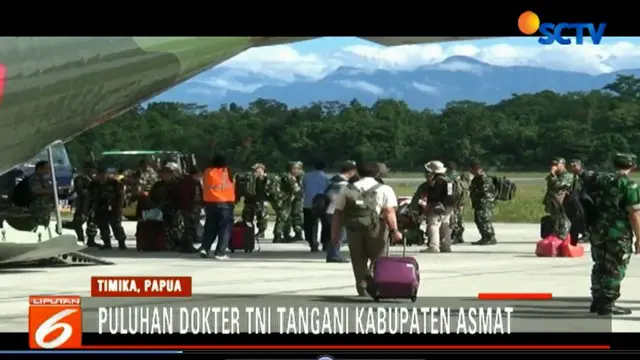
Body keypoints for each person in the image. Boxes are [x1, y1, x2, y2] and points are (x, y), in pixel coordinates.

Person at [332, 161, 401, 296]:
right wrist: (394, 230)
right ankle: (377, 285)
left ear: (358, 172)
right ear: (377, 173)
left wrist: (334, 235)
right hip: (376, 228)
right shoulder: (384, 189)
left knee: (358, 259)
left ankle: (362, 286)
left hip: (353, 229)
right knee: (379, 258)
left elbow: (338, 213)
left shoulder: (348, 189)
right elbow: (388, 211)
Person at [589, 153, 640, 315]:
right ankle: (607, 304)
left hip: (598, 231)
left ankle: (597, 300)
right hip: (618, 233)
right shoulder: (629, 186)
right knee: (615, 268)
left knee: (600, 265)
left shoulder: (601, 181)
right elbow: (634, 214)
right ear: (632, 166)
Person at [199, 155, 235, 260]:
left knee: (210, 227)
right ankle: (220, 252)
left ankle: (204, 248)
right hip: (225, 203)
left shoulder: (207, 172)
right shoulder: (228, 172)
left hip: (210, 203)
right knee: (225, 228)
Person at [324, 161, 357, 263]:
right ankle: (334, 255)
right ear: (351, 171)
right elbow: (336, 198)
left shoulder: (333, 180)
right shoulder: (342, 184)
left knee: (337, 234)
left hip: (330, 210)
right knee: (340, 235)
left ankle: (332, 254)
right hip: (336, 211)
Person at [419, 161, 454, 253]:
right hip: (448, 206)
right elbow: (450, 195)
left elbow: (434, 196)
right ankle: (445, 246)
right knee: (445, 225)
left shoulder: (437, 182)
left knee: (433, 225)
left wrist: (429, 206)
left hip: (437, 206)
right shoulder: (449, 180)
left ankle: (433, 246)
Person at [90, 167, 127, 250]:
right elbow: (90, 196)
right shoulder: (94, 184)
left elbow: (121, 195)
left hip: (113, 208)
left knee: (116, 226)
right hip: (100, 209)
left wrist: (119, 207)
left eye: (103, 174)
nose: (101, 176)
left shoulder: (114, 183)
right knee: (103, 226)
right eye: (99, 174)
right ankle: (107, 243)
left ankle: (121, 243)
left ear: (106, 174)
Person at [148, 166, 182, 251]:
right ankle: (166, 244)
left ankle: (176, 243)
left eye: (165, 174)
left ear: (170, 175)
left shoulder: (176, 184)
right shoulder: (157, 185)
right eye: (162, 174)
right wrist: (153, 206)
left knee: (174, 227)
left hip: (173, 209)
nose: (163, 176)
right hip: (160, 209)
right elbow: (151, 197)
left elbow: (180, 197)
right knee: (163, 228)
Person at [302, 160, 330, 252]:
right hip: (323, 203)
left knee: (310, 225)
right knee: (326, 224)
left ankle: (313, 243)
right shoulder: (326, 178)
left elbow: (303, 188)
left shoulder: (306, 176)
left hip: (309, 202)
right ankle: (325, 243)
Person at [272, 162, 303, 243]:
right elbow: (297, 190)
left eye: (298, 169)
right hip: (283, 200)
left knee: (286, 218)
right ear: (290, 169)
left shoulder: (288, 176)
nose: (297, 170)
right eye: (295, 169)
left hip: (284, 199)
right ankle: (277, 236)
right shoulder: (289, 177)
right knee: (282, 218)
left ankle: (285, 235)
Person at [544, 157, 573, 241]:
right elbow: (550, 185)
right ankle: (556, 238)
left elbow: (557, 185)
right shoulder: (555, 175)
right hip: (554, 202)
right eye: (553, 165)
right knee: (555, 221)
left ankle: (563, 238)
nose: (554, 166)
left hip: (563, 203)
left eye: (556, 164)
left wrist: (552, 173)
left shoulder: (567, 175)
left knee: (564, 221)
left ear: (563, 165)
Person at [469, 161, 497, 245]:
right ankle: (486, 237)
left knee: (483, 220)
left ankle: (489, 237)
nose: (471, 172)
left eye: (473, 170)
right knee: (480, 220)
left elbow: (485, 192)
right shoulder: (477, 178)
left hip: (485, 203)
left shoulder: (484, 179)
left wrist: (475, 193)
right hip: (479, 203)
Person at [175, 166, 202, 253]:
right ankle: (187, 245)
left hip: (193, 207)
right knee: (190, 227)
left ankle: (185, 245)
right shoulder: (188, 183)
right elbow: (185, 197)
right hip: (189, 208)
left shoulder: (194, 182)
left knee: (191, 227)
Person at [71, 161, 98, 246]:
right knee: (78, 222)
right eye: (90, 169)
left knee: (92, 224)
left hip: (93, 205)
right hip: (82, 204)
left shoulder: (95, 180)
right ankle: (80, 239)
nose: (92, 171)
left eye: (93, 169)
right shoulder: (80, 179)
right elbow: (80, 191)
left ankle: (91, 240)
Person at [240, 163, 269, 239]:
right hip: (249, 201)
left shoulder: (266, 179)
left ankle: (261, 232)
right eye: (254, 170)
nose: (254, 171)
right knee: (247, 217)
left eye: (256, 170)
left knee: (262, 217)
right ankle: (248, 231)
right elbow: (241, 178)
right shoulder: (250, 178)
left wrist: (262, 176)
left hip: (261, 201)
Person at [446, 161, 467, 244]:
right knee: (460, 219)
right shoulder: (459, 176)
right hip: (461, 200)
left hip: (454, 201)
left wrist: (449, 200)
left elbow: (449, 191)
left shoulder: (449, 177)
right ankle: (460, 236)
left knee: (453, 219)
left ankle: (455, 237)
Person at [28, 160, 55, 227]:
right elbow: (36, 190)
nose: (49, 170)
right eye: (47, 168)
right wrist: (52, 191)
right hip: (38, 210)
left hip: (44, 210)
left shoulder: (42, 179)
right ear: (40, 169)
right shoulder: (35, 178)